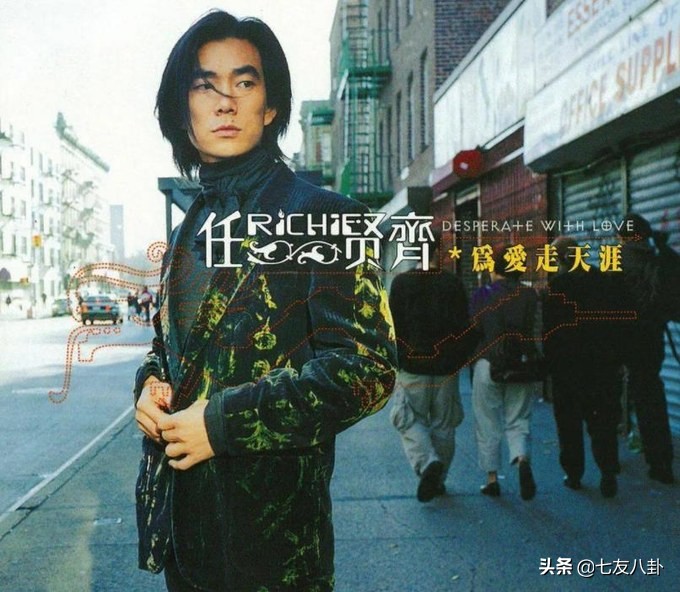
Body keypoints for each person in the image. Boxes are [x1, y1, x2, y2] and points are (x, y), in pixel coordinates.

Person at [133, 10, 397, 592]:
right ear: (182, 108)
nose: (225, 102)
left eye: (245, 82)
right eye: (205, 85)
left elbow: (367, 371)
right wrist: (149, 386)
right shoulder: (188, 228)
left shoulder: (324, 216)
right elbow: (170, 347)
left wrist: (222, 424)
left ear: (271, 106)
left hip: (275, 552)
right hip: (185, 543)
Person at [388, 237, 476, 502]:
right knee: (443, 425)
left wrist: (397, 357)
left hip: (412, 365)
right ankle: (439, 479)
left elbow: (392, 326)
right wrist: (457, 359)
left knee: (406, 418)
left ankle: (427, 462)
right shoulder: (452, 283)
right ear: (439, 251)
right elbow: (465, 327)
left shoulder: (401, 284)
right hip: (445, 367)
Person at [543, 236, 625, 497]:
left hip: (567, 367)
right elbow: (616, 324)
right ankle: (608, 471)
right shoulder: (604, 281)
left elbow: (550, 332)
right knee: (602, 422)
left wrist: (549, 365)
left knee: (569, 424)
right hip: (602, 365)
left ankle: (574, 474)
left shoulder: (557, 287)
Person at [469, 244, 539, 500]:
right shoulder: (529, 295)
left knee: (487, 422)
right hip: (520, 363)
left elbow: (474, 328)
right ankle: (521, 459)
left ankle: (492, 479)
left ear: (495, 267)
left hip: (488, 362)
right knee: (518, 419)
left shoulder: (482, 294)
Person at [619, 213, 675, 485]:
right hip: (653, 336)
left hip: (625, 337)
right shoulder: (658, 256)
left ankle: (616, 455)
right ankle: (661, 460)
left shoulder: (618, 259)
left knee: (628, 392)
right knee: (651, 392)